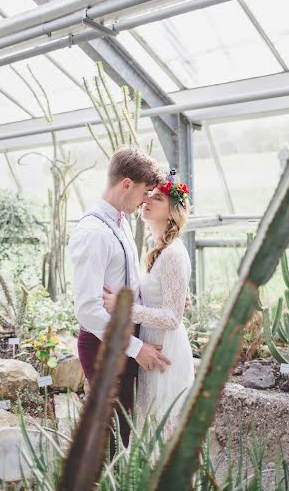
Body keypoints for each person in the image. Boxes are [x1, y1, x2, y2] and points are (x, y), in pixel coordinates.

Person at [68, 146, 171, 448]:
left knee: (127, 432)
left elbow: (128, 283)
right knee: (112, 437)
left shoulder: (120, 224)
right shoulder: (94, 233)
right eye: (143, 192)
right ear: (126, 184)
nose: (145, 201)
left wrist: (161, 297)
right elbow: (87, 310)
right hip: (103, 347)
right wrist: (136, 348)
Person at [104, 169, 194, 440]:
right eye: (148, 196)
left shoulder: (173, 254)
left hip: (166, 349)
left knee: (164, 426)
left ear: (171, 212)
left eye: (157, 199)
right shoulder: (159, 250)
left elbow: (172, 318)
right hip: (153, 342)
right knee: (151, 423)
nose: (147, 201)